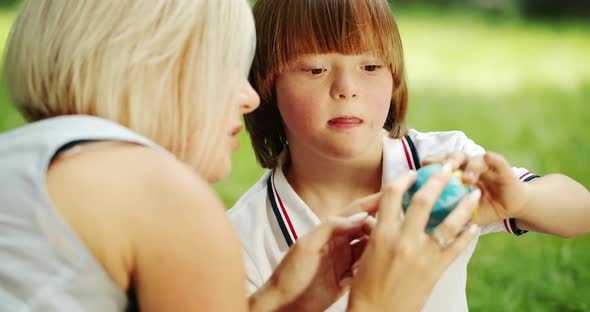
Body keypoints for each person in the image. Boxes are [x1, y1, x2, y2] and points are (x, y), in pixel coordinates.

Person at [0, 0, 482, 311]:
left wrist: (275, 304)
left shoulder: (23, 158)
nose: (251, 98)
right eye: (228, 69)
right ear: (157, 71)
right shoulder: (161, 195)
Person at [228, 0, 590, 311]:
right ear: (265, 83)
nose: (346, 89)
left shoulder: (440, 164)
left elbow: (580, 213)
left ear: (395, 76)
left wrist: (520, 200)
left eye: (370, 67)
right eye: (315, 70)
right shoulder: (243, 235)